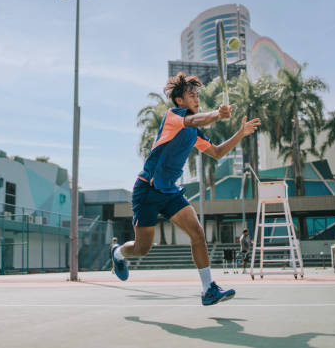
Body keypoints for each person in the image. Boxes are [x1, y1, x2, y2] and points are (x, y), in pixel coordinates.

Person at [110, 72, 261, 306]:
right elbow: (195, 119)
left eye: (197, 95)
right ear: (179, 100)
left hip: (170, 191)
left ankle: (208, 289)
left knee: (197, 233)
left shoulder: (194, 132)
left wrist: (240, 133)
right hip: (147, 190)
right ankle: (118, 253)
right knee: (142, 249)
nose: (196, 99)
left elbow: (217, 152)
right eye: (191, 95)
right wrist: (216, 115)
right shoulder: (174, 116)